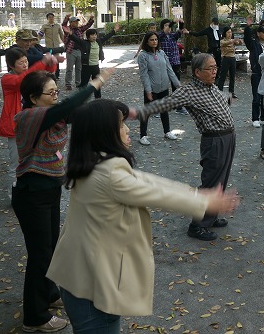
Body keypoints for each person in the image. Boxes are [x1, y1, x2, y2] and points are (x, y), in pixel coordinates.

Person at [47, 99, 239, 334]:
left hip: (80, 277)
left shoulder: (93, 163)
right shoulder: (110, 173)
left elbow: (146, 182)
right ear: (103, 132)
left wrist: (200, 195)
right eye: (121, 125)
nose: (128, 129)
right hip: (93, 287)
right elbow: (155, 193)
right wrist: (205, 201)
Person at [12, 67, 110, 333]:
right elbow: (67, 106)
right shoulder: (30, 116)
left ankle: (49, 292)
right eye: (50, 92)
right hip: (32, 193)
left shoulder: (50, 116)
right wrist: (95, 83)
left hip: (48, 189)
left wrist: (122, 113)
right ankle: (35, 318)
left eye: (57, 91)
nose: (56, 96)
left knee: (50, 247)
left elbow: (82, 112)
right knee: (40, 254)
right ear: (33, 98)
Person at [134, 53, 236, 241]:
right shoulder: (188, 92)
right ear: (197, 72)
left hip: (228, 137)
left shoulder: (211, 86)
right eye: (210, 68)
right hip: (214, 141)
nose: (215, 71)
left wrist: (227, 97)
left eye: (216, 67)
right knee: (211, 183)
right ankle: (197, 225)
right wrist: (138, 112)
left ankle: (211, 216)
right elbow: (165, 103)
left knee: (221, 180)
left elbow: (219, 99)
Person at [0, 49, 58, 197]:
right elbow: (20, 81)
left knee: (38, 157)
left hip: (34, 122)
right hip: (15, 127)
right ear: (11, 65)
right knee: (16, 162)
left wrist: (51, 65)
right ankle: (15, 194)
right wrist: (41, 62)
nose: (25, 65)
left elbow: (46, 78)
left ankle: (33, 188)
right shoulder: (7, 79)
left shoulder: (29, 75)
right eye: (21, 63)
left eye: (26, 61)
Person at [137, 31, 181, 145]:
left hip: (164, 87)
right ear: (147, 41)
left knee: (164, 110)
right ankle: (143, 135)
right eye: (151, 40)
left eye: (156, 39)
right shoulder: (143, 56)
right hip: (152, 89)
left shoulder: (161, 53)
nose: (154, 42)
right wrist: (148, 90)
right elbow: (144, 75)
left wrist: (178, 85)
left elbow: (169, 70)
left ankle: (167, 131)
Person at [69, 23, 120, 99]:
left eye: (95, 34)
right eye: (92, 35)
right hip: (86, 67)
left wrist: (114, 30)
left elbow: (107, 37)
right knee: (83, 84)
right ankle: (80, 99)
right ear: (88, 36)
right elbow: (76, 39)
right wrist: (70, 34)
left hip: (95, 66)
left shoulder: (98, 42)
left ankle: (98, 98)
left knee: (97, 83)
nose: (94, 36)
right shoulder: (84, 43)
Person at [62, 14, 95, 91]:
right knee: (69, 68)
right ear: (71, 22)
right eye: (75, 22)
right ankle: (68, 84)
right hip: (71, 50)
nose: (77, 23)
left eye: (77, 21)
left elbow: (87, 26)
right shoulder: (67, 29)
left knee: (79, 68)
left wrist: (91, 19)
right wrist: (66, 18)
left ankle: (78, 83)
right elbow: (63, 24)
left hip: (80, 51)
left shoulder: (80, 29)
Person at [248, 25, 264, 127]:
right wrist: (248, 27)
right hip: (257, 74)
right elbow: (247, 38)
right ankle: (255, 118)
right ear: (258, 33)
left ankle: (263, 117)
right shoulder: (253, 44)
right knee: (256, 96)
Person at [216, 26, 243, 98]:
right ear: (225, 33)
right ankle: (219, 90)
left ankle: (231, 91)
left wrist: (240, 41)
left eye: (230, 32)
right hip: (225, 59)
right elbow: (226, 43)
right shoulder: (222, 41)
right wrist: (233, 41)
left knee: (232, 76)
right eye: (228, 32)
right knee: (223, 75)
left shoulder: (232, 40)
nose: (229, 34)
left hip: (232, 58)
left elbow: (239, 43)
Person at [38, 13, 65, 80]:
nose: (51, 18)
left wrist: (65, 42)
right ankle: (50, 74)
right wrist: (37, 42)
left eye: (52, 17)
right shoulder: (45, 26)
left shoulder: (57, 26)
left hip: (56, 46)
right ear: (47, 18)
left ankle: (57, 74)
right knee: (50, 60)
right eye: (50, 17)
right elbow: (40, 35)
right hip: (49, 46)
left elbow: (61, 35)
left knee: (57, 60)